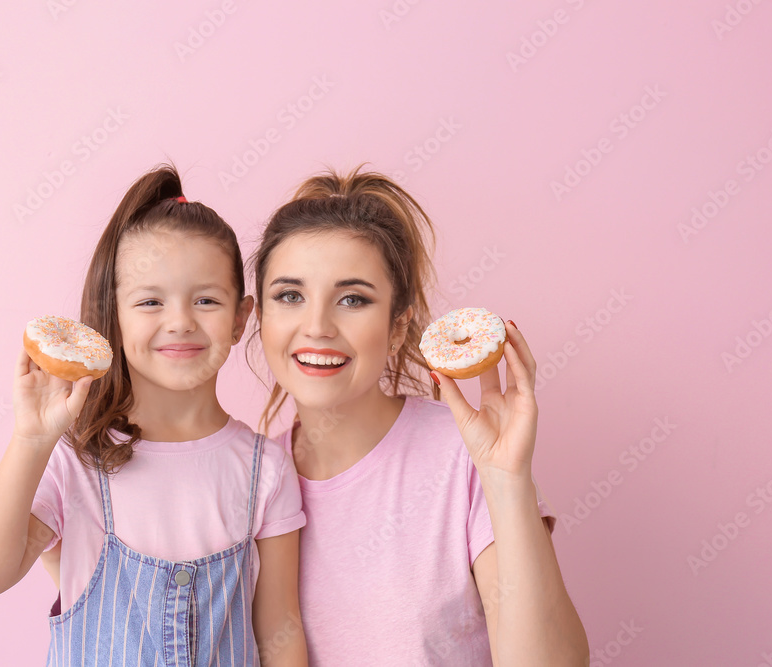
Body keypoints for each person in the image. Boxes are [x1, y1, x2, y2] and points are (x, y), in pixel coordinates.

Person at [0, 165, 309, 666]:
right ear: (115, 317)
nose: (180, 321)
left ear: (240, 318)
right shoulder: (76, 461)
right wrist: (32, 440)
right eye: (149, 301)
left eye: (206, 300)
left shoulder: (265, 469)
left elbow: (280, 631)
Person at [251, 166, 589, 665]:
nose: (317, 326)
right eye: (290, 296)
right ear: (259, 316)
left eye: (353, 299)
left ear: (396, 327)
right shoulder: (251, 480)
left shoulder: (464, 454)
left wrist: (506, 479)